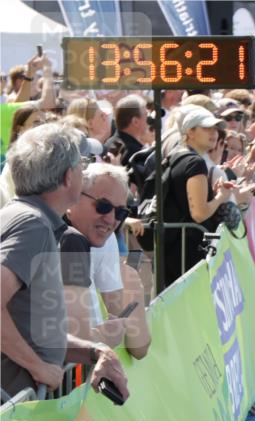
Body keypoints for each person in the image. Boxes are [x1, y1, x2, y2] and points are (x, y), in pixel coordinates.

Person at [1, 124, 129, 401]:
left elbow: (35, 332)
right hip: (13, 408)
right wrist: (39, 367)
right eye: (82, 165)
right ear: (69, 176)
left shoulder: (27, 217)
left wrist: (94, 352)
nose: (85, 171)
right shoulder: (31, 224)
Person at [60, 163, 150, 358]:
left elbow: (139, 346)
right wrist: (100, 339)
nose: (110, 219)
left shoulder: (106, 239)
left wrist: (131, 283)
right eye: (103, 206)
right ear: (74, 197)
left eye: (120, 213)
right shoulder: (55, 236)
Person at [161, 106, 233, 285]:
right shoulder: (195, 163)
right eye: (206, 128)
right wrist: (220, 197)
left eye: (216, 129)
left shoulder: (175, 156)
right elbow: (199, 214)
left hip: (176, 248)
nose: (214, 133)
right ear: (190, 132)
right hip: (189, 252)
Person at [107, 95, 152, 166]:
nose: (149, 119)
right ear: (135, 121)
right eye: (146, 115)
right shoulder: (135, 153)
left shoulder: (110, 142)